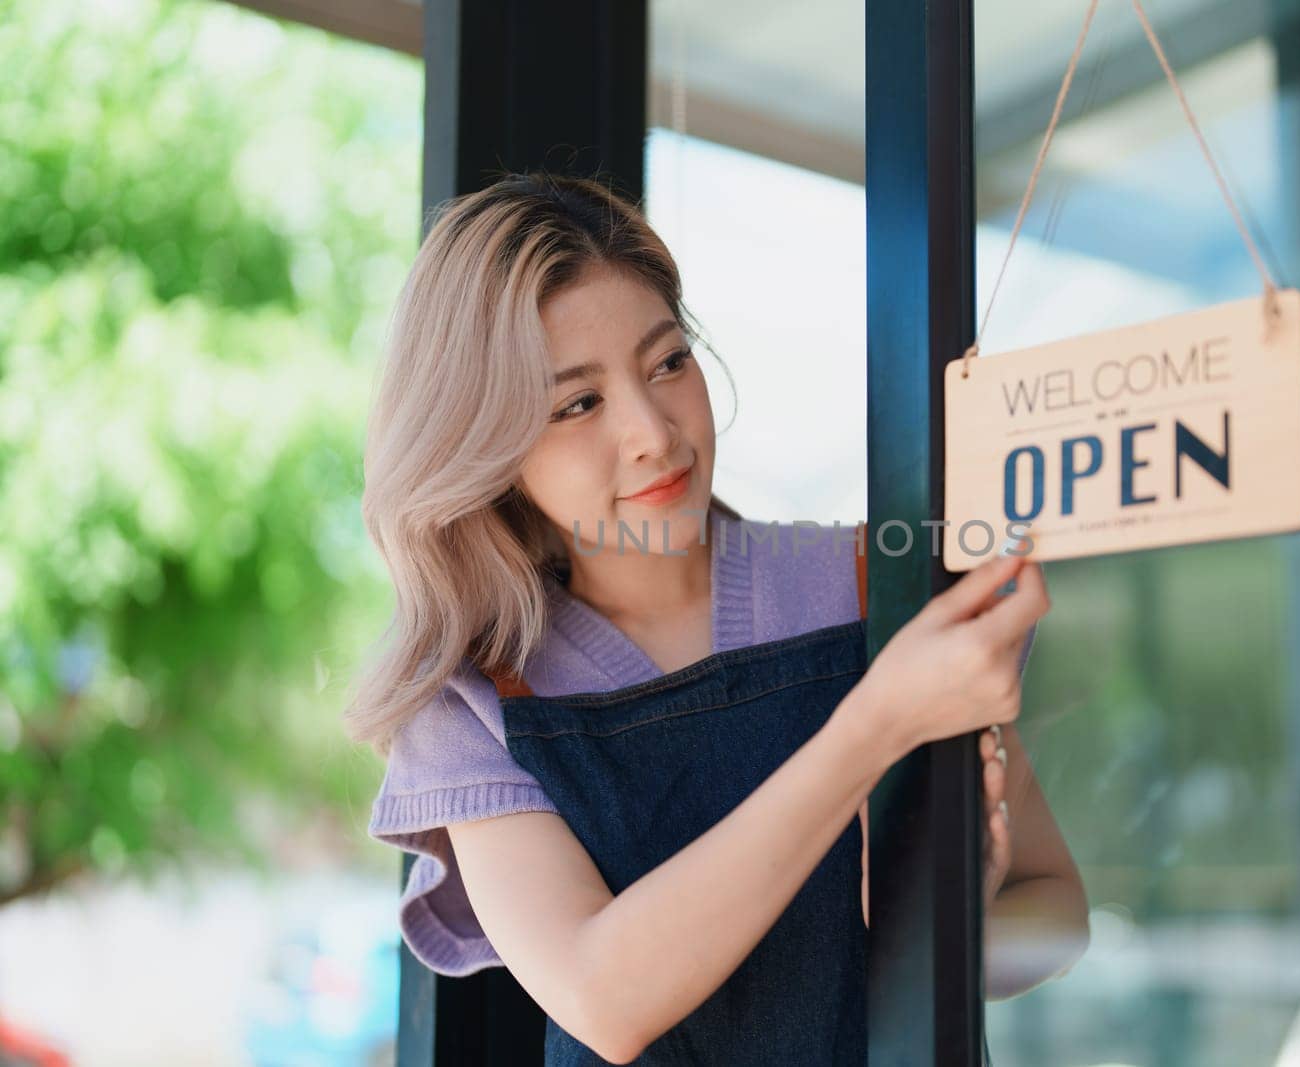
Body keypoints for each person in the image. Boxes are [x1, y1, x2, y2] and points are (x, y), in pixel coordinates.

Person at [346, 171, 1088, 1065]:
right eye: (579, 403)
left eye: (668, 361)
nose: (655, 430)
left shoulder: (871, 583)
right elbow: (603, 996)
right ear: (486, 446)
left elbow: (1059, 911)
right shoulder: (474, 699)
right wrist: (875, 723)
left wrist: (953, 933)